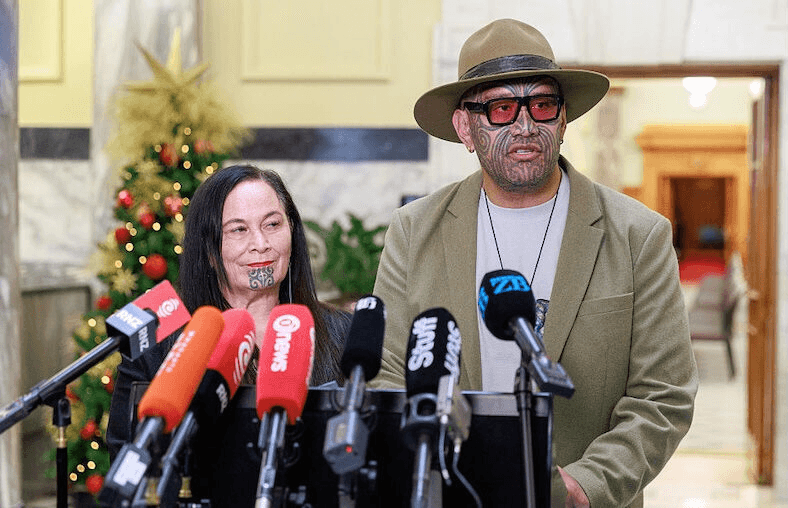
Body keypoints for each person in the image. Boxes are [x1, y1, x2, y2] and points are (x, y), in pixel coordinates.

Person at [370, 19, 698, 508]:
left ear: (563, 120)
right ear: (465, 126)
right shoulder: (413, 231)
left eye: (542, 105)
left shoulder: (638, 235)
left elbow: (663, 396)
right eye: (502, 108)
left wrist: (584, 487)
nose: (526, 126)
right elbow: (388, 371)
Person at [106, 164, 351, 471]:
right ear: (209, 250)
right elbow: (125, 455)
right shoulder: (158, 342)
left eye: (272, 225)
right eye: (238, 229)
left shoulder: (343, 332)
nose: (260, 243)